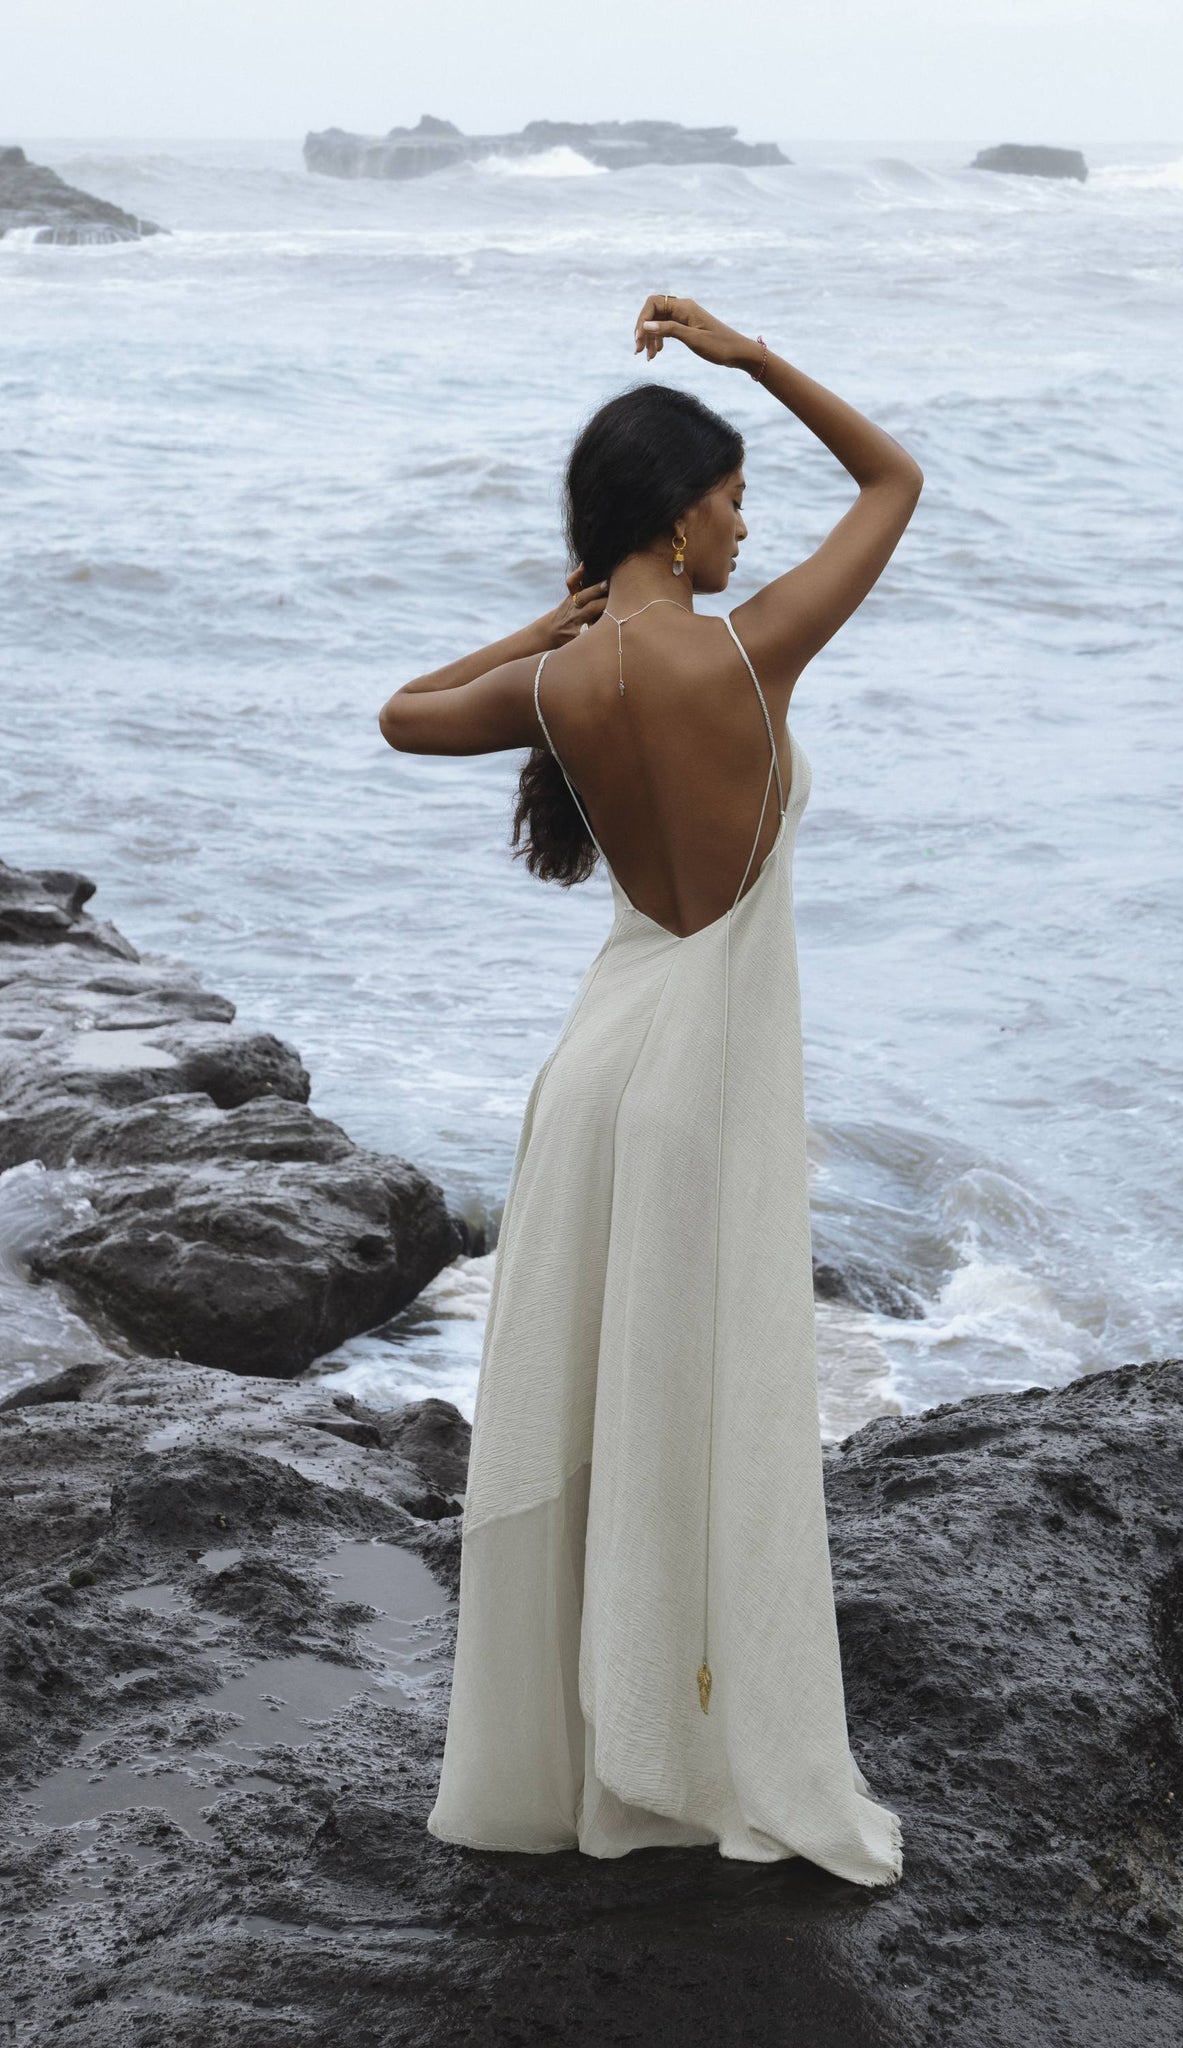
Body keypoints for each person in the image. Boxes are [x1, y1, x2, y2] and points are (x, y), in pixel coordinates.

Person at [378, 294, 923, 1886]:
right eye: (736, 495)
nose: (748, 523)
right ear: (680, 510)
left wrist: (538, 634)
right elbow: (892, 484)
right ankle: (687, 1747)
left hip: (600, 1076)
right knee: (707, 1417)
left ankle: (605, 1749)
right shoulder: (748, 655)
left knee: (610, 1416)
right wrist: (752, 360)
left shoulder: (565, 687)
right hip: (702, 1091)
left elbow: (404, 717)